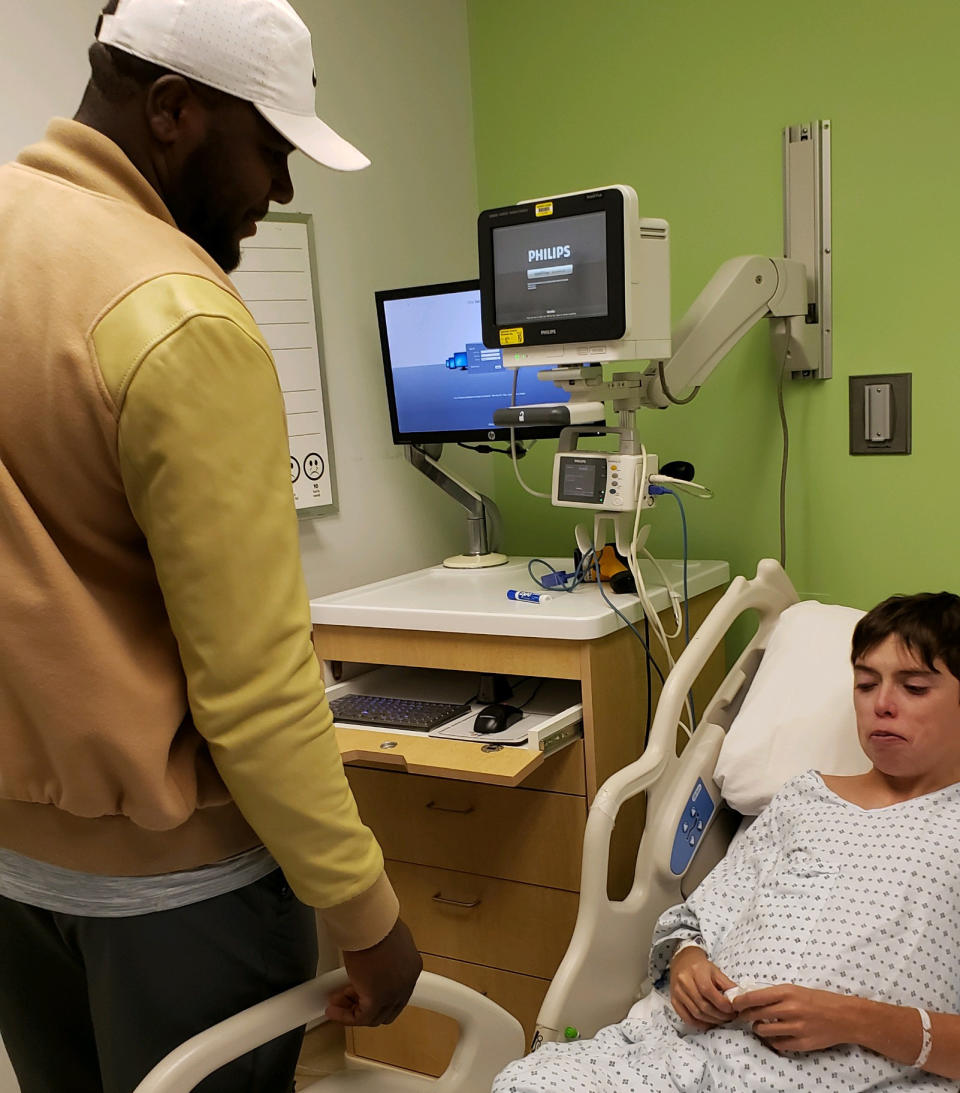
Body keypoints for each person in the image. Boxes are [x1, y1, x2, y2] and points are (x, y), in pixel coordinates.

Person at [0, 1, 421, 1090]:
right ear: (173, 110)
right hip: (177, 902)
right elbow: (255, 689)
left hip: (16, 877)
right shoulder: (179, 314)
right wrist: (369, 915)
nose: (280, 190)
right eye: (273, 148)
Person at [495, 591, 960, 1092]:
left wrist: (852, 1020)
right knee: (528, 1083)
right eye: (866, 684)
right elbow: (699, 918)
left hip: (838, 1077)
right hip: (688, 1060)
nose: (882, 705)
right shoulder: (804, 800)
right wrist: (688, 963)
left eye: (914, 687)